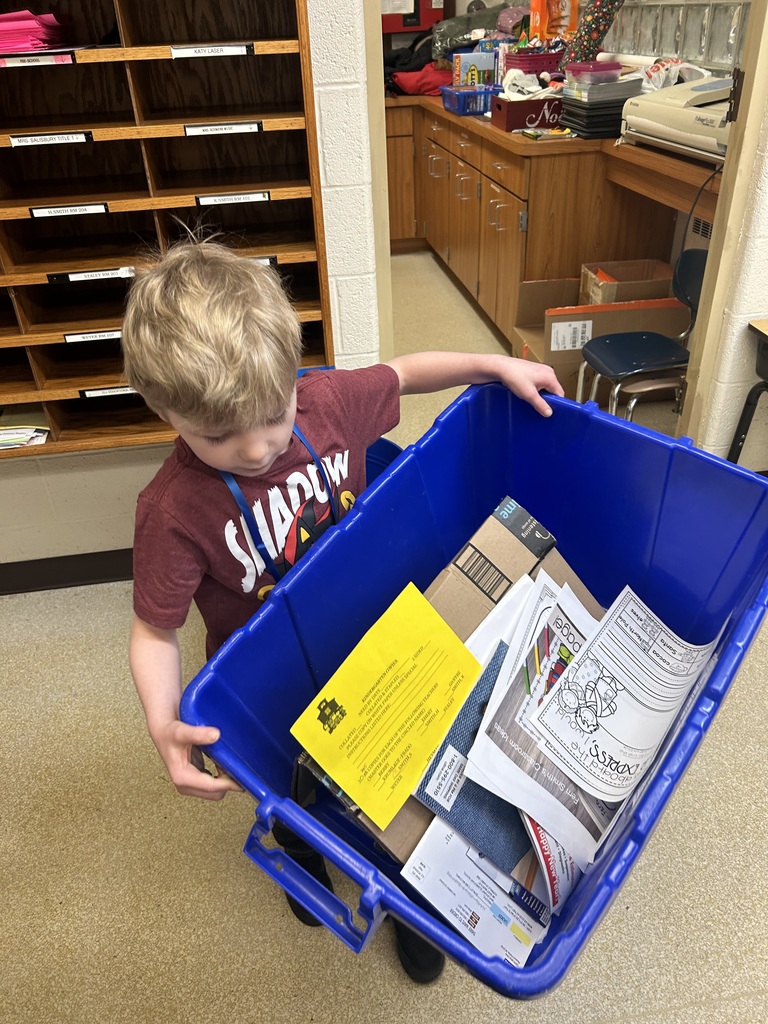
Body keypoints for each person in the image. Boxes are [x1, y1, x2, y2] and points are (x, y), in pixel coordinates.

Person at [122, 237, 564, 984]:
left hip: (373, 636)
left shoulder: (324, 405)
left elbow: (405, 372)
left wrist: (494, 364)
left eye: (272, 413)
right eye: (219, 435)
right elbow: (153, 630)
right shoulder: (169, 511)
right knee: (294, 783)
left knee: (403, 774)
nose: (259, 447)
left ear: (293, 377)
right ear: (165, 411)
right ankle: (298, 848)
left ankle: (414, 901)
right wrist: (164, 725)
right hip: (271, 678)